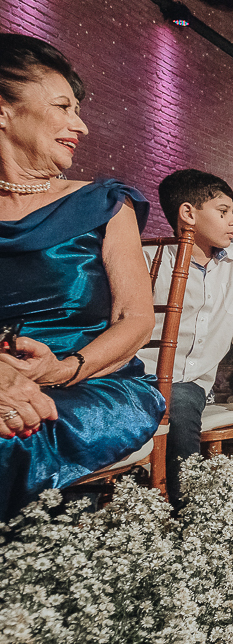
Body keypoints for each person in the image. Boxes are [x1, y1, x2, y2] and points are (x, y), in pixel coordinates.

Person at [0, 34, 163, 519]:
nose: (81, 126)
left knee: (15, 434)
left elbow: (135, 320)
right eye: (63, 107)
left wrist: (62, 369)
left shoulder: (103, 205)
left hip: (93, 382)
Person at [141, 170, 233, 507]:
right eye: (223, 211)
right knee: (174, 403)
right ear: (188, 213)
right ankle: (183, 511)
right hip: (140, 377)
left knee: (183, 401)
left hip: (192, 385)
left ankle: (194, 510)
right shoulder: (150, 258)